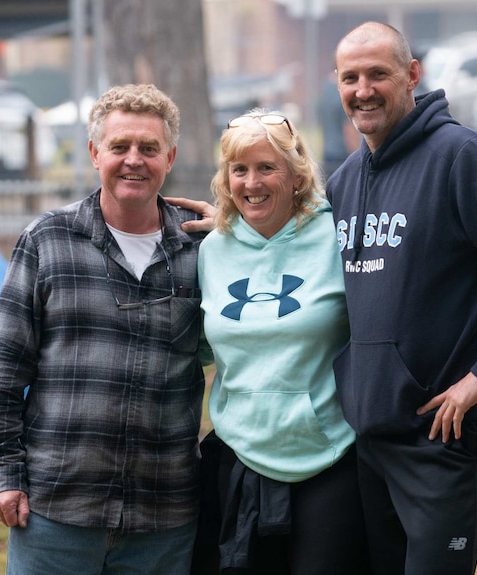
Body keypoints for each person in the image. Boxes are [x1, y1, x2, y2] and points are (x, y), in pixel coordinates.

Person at [326, 22, 477, 575]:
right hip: (372, 434)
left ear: (412, 74)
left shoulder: (463, 157)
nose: (363, 89)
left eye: (378, 74)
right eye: (350, 77)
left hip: (446, 433)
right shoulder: (343, 181)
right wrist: (229, 226)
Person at [0, 83, 208, 575]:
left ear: (169, 157)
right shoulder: (47, 240)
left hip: (163, 517)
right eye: (120, 146)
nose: (134, 160)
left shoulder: (202, 249)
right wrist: (4, 472)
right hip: (54, 511)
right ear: (94, 153)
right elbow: (3, 367)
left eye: (148, 148)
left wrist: (244, 233)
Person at [195, 109, 370, 574]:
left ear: (296, 175)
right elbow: (197, 346)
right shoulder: (211, 250)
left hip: (328, 454)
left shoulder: (337, 235)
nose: (252, 182)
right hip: (239, 453)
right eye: (240, 170)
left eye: (267, 167)